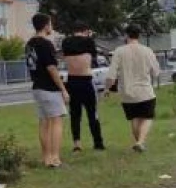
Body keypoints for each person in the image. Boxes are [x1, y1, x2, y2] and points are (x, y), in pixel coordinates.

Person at [104, 25, 161, 152]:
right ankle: (140, 142)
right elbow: (156, 72)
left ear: (126, 35)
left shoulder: (119, 51)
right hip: (145, 91)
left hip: (127, 93)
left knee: (134, 118)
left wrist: (107, 88)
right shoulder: (147, 50)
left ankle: (138, 143)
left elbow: (111, 74)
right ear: (139, 35)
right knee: (147, 117)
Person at [25, 13, 69, 167]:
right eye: (50, 24)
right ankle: (54, 158)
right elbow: (51, 68)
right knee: (56, 122)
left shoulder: (29, 44)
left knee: (44, 123)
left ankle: (45, 157)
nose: (51, 27)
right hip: (49, 88)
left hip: (37, 87)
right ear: (45, 26)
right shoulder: (46, 44)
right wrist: (63, 89)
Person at [61, 22, 104, 152]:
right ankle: (98, 142)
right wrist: (89, 37)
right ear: (85, 31)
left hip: (72, 80)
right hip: (86, 79)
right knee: (92, 113)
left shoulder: (66, 42)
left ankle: (77, 143)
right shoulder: (89, 42)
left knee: (75, 114)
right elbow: (93, 59)